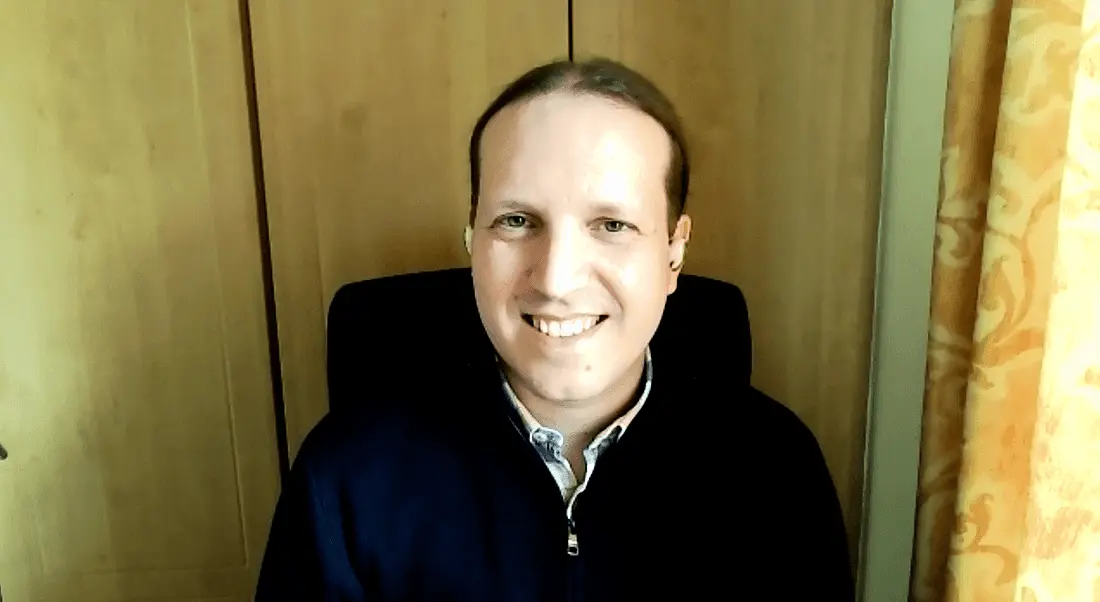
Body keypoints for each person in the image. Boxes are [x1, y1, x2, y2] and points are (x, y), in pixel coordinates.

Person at [255, 58, 854, 601]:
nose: (557, 279)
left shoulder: (777, 470)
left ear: (673, 254)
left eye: (612, 225)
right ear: (472, 240)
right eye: (517, 221)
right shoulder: (346, 477)